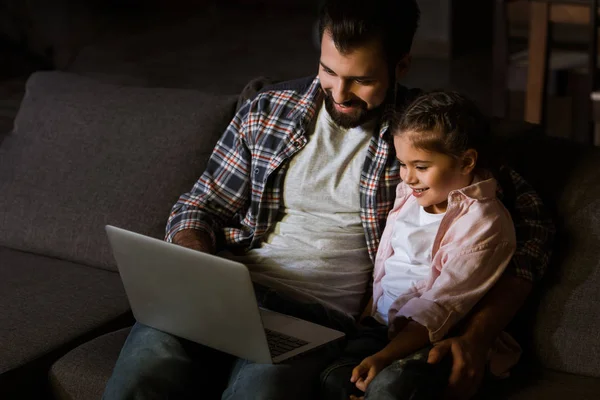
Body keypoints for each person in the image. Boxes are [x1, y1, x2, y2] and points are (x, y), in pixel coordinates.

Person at [102, 1, 555, 399]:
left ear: (401, 66)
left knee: (262, 392)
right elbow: (198, 206)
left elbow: (532, 224)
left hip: (318, 319)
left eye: (361, 80)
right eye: (329, 71)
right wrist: (195, 265)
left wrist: (479, 335)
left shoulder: (423, 136)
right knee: (143, 377)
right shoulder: (267, 111)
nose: (339, 95)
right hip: (229, 289)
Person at [320, 90, 523, 400]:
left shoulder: (485, 223)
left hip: (435, 336)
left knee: (391, 388)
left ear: (466, 161)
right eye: (403, 164)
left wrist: (385, 357)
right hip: (379, 326)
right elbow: (389, 268)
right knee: (334, 379)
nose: (408, 177)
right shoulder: (410, 195)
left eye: (421, 166)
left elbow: (440, 307)